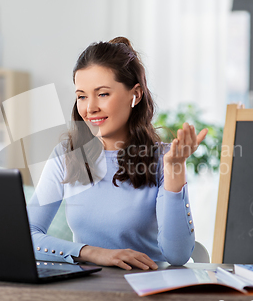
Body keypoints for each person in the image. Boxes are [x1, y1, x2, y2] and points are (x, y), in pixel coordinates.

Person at [27, 37, 207, 270]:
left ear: (136, 95)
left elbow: (177, 255)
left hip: (148, 290)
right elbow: (27, 236)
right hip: (86, 289)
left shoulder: (162, 159)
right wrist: (92, 253)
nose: (90, 108)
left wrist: (174, 169)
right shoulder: (67, 155)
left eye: (102, 94)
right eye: (82, 96)